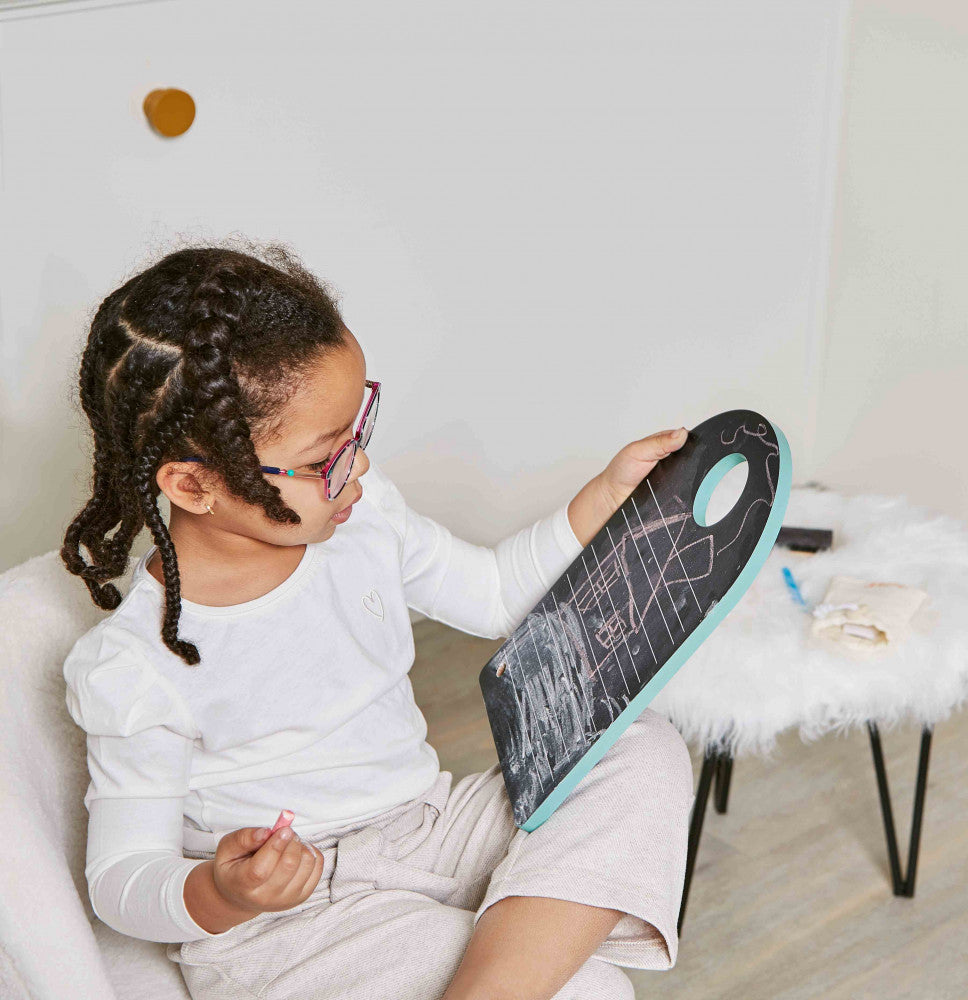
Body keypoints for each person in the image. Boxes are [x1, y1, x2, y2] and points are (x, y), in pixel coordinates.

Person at [61, 238, 695, 1000]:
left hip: (425, 827)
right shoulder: (136, 664)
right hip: (294, 927)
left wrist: (600, 498)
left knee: (642, 744)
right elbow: (122, 879)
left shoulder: (363, 523)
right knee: (590, 990)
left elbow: (493, 592)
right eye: (327, 456)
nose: (357, 466)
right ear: (195, 485)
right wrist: (224, 893)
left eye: (358, 429)